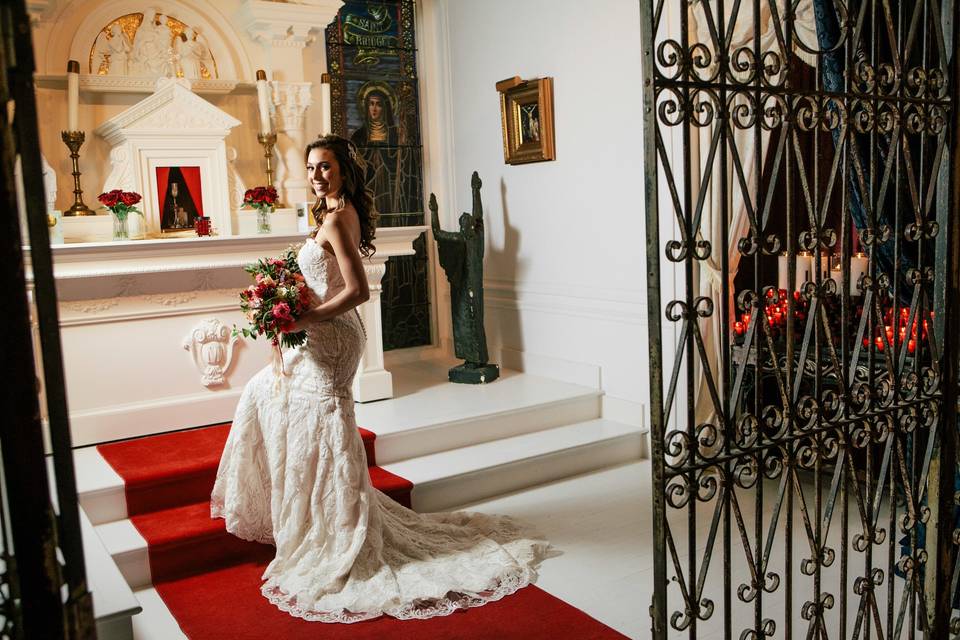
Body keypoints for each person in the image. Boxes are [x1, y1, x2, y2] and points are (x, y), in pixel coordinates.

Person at [211, 134, 550, 623]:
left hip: (332, 337)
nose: (316, 175)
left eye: (325, 166)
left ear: (343, 172)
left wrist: (304, 320)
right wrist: (285, 306)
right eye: (310, 167)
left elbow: (355, 291)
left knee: (309, 415)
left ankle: (333, 529)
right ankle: (305, 518)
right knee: (267, 393)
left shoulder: (334, 218)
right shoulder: (329, 215)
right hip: (321, 331)